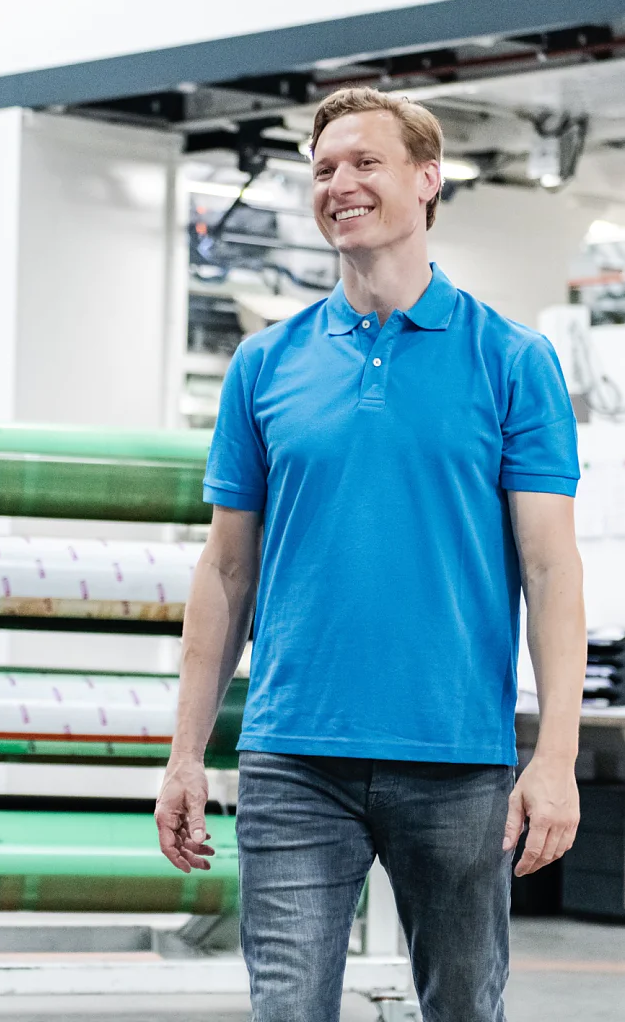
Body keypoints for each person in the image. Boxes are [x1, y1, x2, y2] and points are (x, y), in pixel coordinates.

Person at [155, 87, 586, 1021]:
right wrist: (185, 752)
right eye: (322, 169)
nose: (338, 184)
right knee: (285, 1008)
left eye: (363, 163)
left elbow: (551, 571)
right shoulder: (265, 365)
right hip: (292, 756)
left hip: (456, 757)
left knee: (463, 1008)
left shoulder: (511, 360)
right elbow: (225, 571)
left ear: (428, 180)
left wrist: (555, 755)